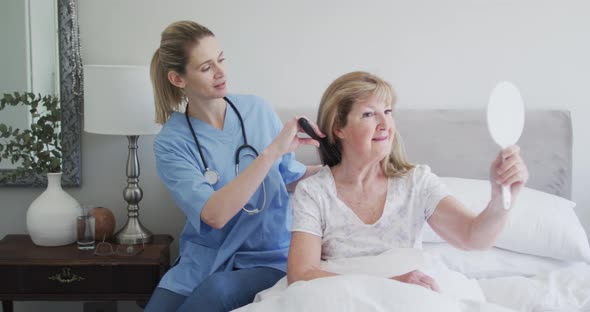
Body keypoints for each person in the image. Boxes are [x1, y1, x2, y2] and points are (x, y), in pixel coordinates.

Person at [287, 71, 529, 292]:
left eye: (388, 111)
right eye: (370, 114)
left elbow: (473, 237)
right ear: (339, 128)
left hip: (410, 299)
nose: (385, 124)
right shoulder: (314, 192)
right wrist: (386, 286)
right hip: (342, 300)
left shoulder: (416, 183)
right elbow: (301, 275)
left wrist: (501, 199)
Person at [144, 21, 322, 312]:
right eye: (206, 67)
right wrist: (270, 152)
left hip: (268, 255)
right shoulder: (171, 142)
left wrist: (347, 168)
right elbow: (215, 215)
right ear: (178, 79)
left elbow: (290, 176)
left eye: (221, 59)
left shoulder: (257, 110)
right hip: (205, 259)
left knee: (218, 290)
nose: (221, 72)